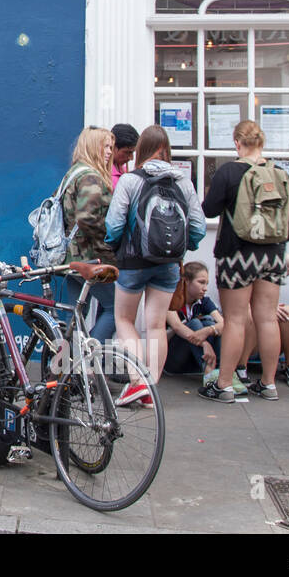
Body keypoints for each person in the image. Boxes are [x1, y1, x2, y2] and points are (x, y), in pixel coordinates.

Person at [198, 120, 289, 403]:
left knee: (234, 320)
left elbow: (208, 210)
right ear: (262, 142)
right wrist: (275, 242)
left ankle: (224, 385)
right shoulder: (280, 173)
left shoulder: (229, 171)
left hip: (236, 254)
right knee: (268, 318)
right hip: (272, 255)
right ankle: (268, 384)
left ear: (237, 143)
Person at [105, 125, 206, 402]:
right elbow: (198, 226)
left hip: (132, 262)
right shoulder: (183, 182)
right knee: (157, 325)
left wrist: (115, 246)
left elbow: (113, 225)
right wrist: (184, 248)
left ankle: (137, 381)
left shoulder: (130, 180)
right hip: (170, 263)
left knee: (124, 320)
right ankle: (150, 389)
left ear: (142, 150)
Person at [58, 126, 117, 342]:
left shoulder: (73, 173)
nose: (110, 152)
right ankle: (87, 355)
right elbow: (86, 219)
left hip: (72, 258)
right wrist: (110, 242)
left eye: (111, 146)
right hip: (90, 257)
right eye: (105, 146)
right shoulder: (91, 177)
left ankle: (71, 365)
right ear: (93, 147)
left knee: (75, 314)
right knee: (116, 310)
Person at [164, 261, 223, 378]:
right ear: (186, 281)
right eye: (201, 282)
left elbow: (224, 324)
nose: (205, 288)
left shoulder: (204, 301)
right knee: (195, 323)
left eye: (206, 284)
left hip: (193, 362)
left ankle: (220, 372)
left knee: (209, 323)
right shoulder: (170, 299)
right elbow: (177, 326)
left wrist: (209, 330)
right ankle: (210, 374)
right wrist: (204, 343)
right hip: (172, 361)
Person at [110, 123, 138, 190]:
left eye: (133, 152)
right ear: (113, 147)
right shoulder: (104, 175)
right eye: (127, 152)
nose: (131, 158)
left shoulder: (125, 171)